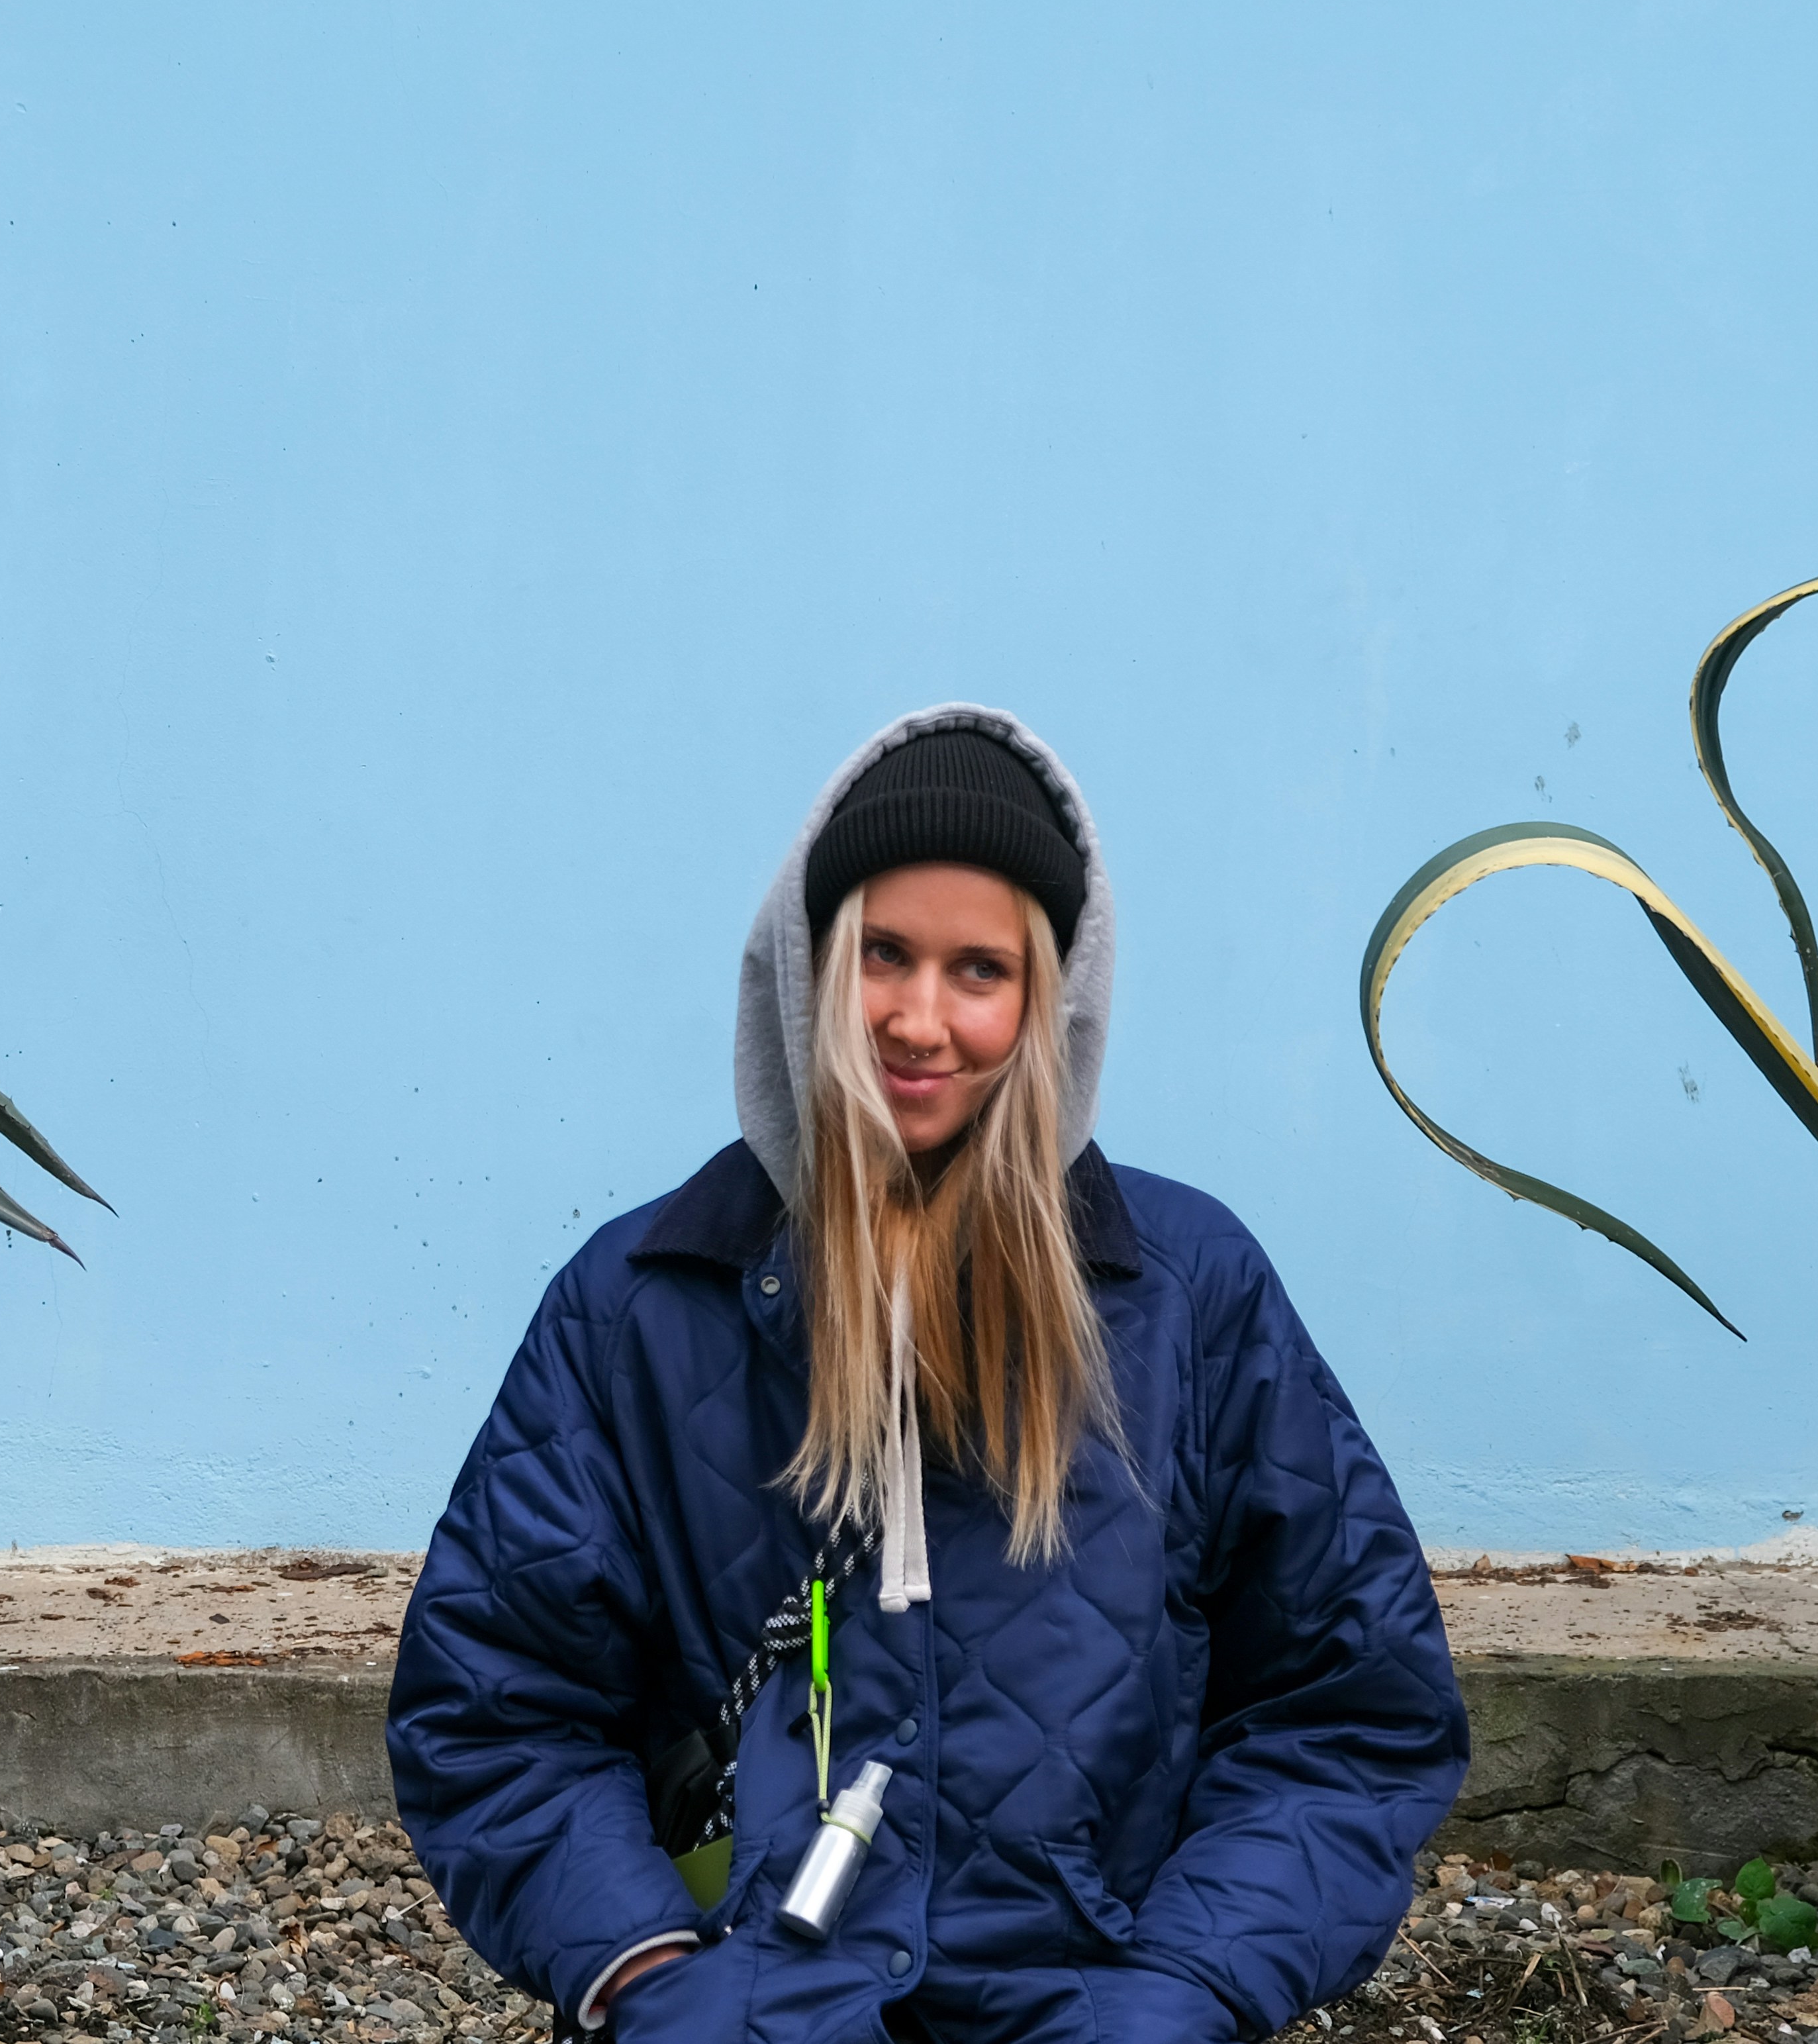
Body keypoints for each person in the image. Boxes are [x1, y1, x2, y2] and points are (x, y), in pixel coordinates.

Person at [388, 706, 1468, 2042]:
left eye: (980, 970)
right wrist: (648, 1971)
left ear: (1049, 994)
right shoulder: (640, 1307)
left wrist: (1178, 1991)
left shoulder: (1186, 1298)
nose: (918, 1019)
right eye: (882, 955)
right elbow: (500, 1709)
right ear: (809, 962)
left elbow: (1347, 1715)